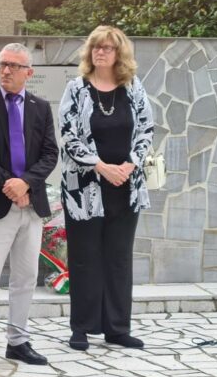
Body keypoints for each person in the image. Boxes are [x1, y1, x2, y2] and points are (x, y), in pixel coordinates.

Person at [58, 25, 154, 352]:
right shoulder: (76, 89)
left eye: (107, 48)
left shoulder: (133, 87)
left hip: (126, 187)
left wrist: (130, 165)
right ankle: (81, 328)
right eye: (96, 47)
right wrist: (100, 166)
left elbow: (146, 130)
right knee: (84, 258)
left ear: (118, 53)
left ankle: (117, 328)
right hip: (85, 188)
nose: (100, 52)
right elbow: (68, 135)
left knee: (118, 258)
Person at [0, 43, 59, 369]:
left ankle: (18, 341)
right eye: (2, 64)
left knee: (25, 277)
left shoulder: (40, 107)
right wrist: (10, 185)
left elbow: (50, 153)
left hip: (30, 205)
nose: (6, 70)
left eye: (14, 66)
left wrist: (26, 184)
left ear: (28, 73)